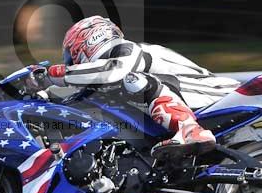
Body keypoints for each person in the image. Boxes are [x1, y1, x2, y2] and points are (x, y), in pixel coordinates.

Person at [29, 15, 240, 158]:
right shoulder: (104, 78)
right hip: (195, 104)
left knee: (135, 82)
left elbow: (113, 71)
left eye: (70, 55)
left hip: (214, 96)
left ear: (87, 41)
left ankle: (189, 130)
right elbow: (79, 101)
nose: (70, 62)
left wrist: (53, 75)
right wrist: (44, 99)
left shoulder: (125, 50)